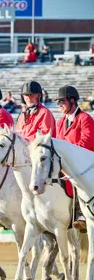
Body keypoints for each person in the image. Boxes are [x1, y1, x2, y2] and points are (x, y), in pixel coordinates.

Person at [54, 85, 94, 233]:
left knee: (78, 181)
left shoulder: (85, 119)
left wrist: (67, 154)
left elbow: (87, 143)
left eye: (62, 101)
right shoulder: (60, 123)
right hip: (66, 165)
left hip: (84, 165)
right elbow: (58, 143)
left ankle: (81, 214)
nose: (59, 105)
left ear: (72, 100)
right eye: (58, 102)